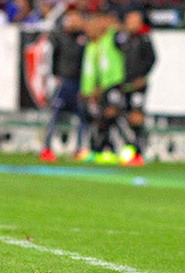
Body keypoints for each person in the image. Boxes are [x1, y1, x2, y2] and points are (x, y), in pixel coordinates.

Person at [39, 8, 88, 162]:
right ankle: (46, 148)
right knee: (54, 115)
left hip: (79, 83)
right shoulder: (59, 36)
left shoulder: (83, 37)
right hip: (64, 81)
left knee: (82, 117)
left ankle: (80, 149)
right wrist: (55, 75)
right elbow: (53, 56)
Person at [79, 12, 126, 164]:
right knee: (98, 120)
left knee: (111, 115)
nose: (89, 30)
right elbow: (94, 71)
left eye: (92, 26)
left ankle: (129, 148)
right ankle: (102, 149)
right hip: (98, 89)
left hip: (113, 85)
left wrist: (107, 22)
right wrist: (90, 89)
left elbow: (119, 27)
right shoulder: (92, 45)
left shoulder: (111, 38)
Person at [115, 10, 156, 166]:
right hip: (123, 85)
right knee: (123, 116)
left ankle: (139, 152)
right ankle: (130, 148)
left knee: (136, 116)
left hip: (138, 85)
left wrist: (143, 77)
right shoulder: (122, 39)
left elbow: (152, 59)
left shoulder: (144, 39)